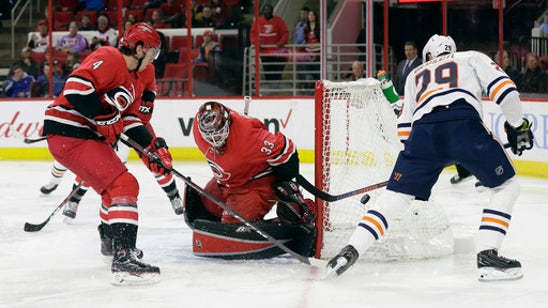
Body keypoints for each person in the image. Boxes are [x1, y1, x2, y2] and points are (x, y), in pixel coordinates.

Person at [326, 34, 534, 282]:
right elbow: (507, 92)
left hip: (422, 135)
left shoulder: (416, 74)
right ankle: (488, 255)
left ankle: (351, 249)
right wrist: (517, 125)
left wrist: (418, 160)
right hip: (463, 124)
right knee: (506, 186)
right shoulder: (471, 57)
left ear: (427, 55)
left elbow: (404, 131)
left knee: (395, 197)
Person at [41, 22, 167, 285]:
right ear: (140, 47)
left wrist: (152, 147)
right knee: (124, 183)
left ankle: (111, 241)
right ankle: (124, 258)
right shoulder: (111, 57)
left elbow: (131, 121)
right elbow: (76, 86)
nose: (153, 59)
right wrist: (103, 115)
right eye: (152, 52)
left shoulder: (134, 80)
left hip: (83, 136)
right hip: (70, 133)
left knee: (115, 189)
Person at [41, 63, 185, 221]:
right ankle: (74, 200)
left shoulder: (147, 67)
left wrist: (147, 104)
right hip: (111, 122)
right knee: (99, 166)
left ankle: (174, 196)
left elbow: (149, 90)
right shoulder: (115, 67)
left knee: (156, 159)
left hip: (135, 123)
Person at [187, 101, 316, 259]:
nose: (215, 139)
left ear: (227, 123)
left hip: (255, 182)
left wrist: (287, 185)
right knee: (205, 211)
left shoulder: (249, 135)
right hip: (228, 180)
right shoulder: (199, 125)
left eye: (219, 133)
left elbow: (287, 149)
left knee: (233, 228)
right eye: (210, 135)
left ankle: (294, 218)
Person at [250, 3, 289, 88]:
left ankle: (276, 89)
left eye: (269, 10)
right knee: (268, 71)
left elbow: (285, 33)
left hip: (278, 53)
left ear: (272, 11)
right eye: (266, 10)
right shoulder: (258, 22)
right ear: (263, 11)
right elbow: (253, 34)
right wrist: (257, 43)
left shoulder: (279, 21)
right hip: (265, 53)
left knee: (276, 72)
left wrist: (282, 42)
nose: (267, 12)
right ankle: (272, 90)